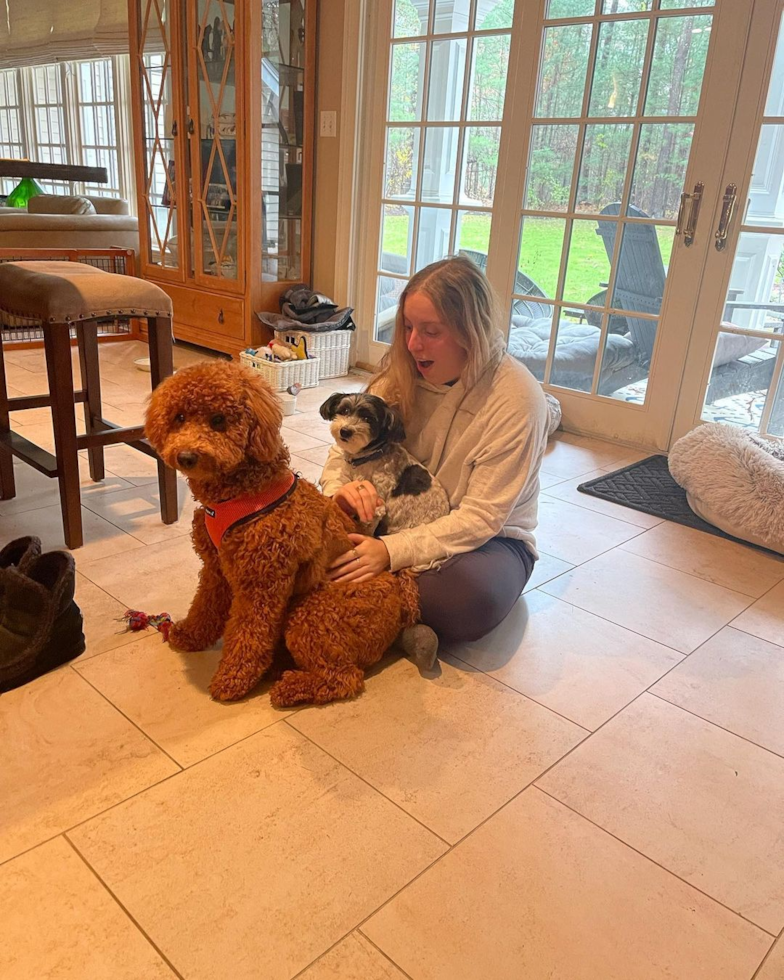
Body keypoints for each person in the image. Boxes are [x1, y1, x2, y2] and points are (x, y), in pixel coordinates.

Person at [320, 255, 549, 646]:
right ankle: (393, 619)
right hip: (391, 514)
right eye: (407, 327)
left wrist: (389, 552)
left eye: (430, 331)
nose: (412, 344)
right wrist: (337, 492)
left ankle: (371, 607)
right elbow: (345, 453)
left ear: (470, 332)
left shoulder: (517, 399)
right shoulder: (400, 370)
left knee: (466, 602)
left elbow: (481, 519)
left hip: (488, 540)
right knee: (305, 532)